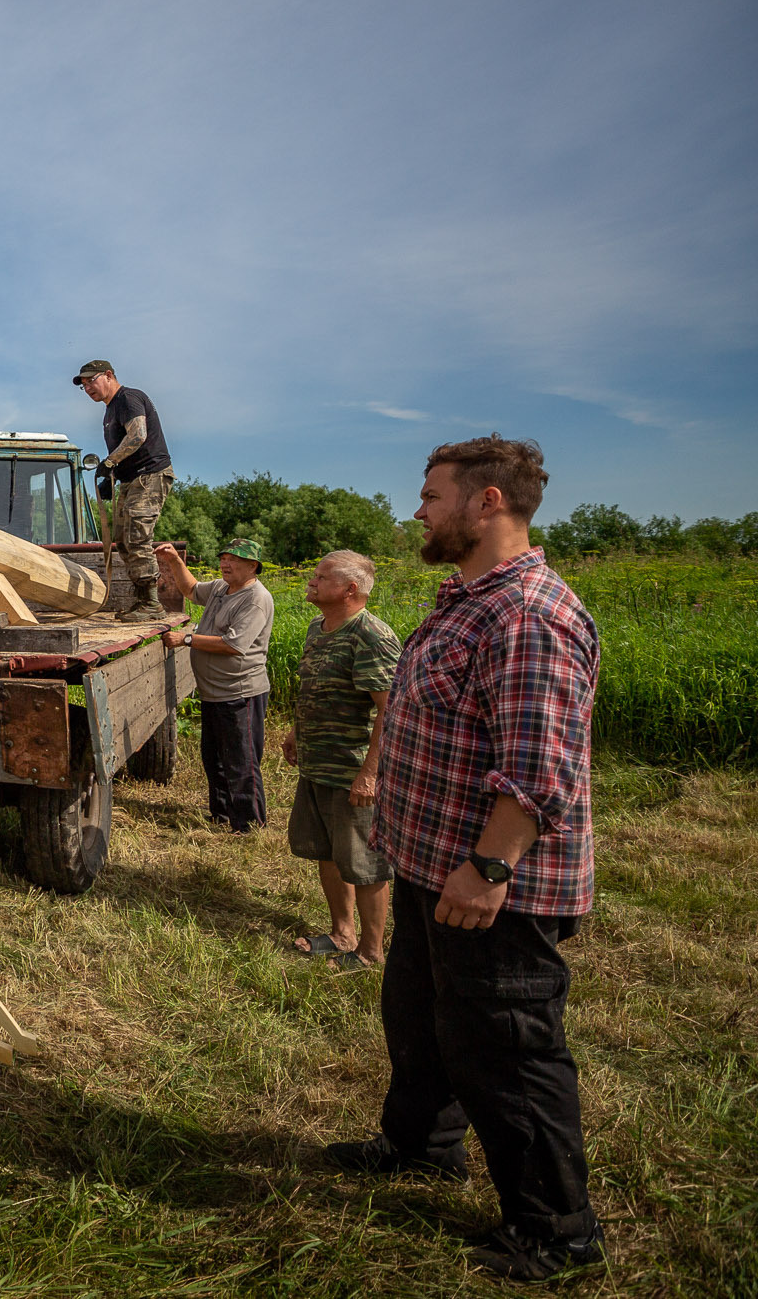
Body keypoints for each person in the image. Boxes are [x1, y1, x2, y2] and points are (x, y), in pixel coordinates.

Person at [327, 437, 604, 1284]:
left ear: (487, 502)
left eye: (431, 494)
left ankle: (556, 1230)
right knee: (421, 1023)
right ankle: (422, 1148)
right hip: (430, 867)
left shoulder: (529, 614)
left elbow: (535, 769)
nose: (417, 509)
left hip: (488, 884)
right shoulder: (468, 600)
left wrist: (488, 871)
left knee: (507, 1050)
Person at [282, 550, 400, 970]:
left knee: (365, 864)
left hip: (353, 771)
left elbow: (391, 710)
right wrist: (297, 731)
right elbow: (312, 686)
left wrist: (370, 773)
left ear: (350, 589)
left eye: (321, 576)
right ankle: (341, 933)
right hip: (318, 764)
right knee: (327, 851)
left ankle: (370, 952)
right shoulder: (319, 627)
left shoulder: (371, 636)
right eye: (313, 574)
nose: (311, 581)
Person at [155, 537, 276, 832]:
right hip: (214, 692)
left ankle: (249, 825)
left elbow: (235, 644)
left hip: (239, 692)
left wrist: (186, 639)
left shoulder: (255, 599)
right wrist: (174, 560)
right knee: (215, 759)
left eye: (234, 560)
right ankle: (222, 815)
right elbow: (192, 590)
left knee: (241, 762)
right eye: (224, 558)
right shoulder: (222, 588)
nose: (226, 563)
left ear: (252, 566)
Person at [75, 359, 174, 622]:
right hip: (131, 479)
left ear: (108, 375)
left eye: (91, 381)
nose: (87, 389)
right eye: (83, 386)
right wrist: (112, 475)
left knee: (136, 535)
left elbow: (138, 435)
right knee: (123, 539)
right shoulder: (109, 411)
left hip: (149, 475)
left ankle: (152, 604)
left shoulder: (128, 398)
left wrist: (110, 463)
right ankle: (142, 601)